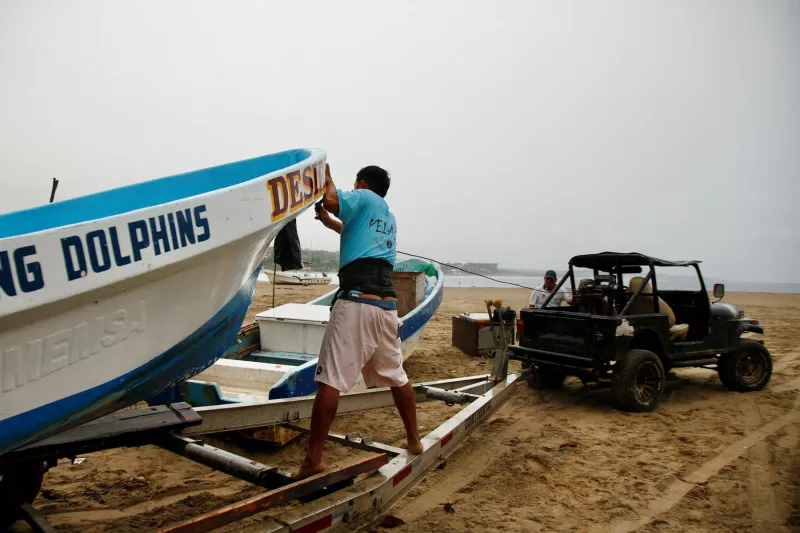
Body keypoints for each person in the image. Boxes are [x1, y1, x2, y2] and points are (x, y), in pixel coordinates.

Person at [294, 164, 423, 480]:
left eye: (356, 184)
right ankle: (414, 439)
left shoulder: (362, 197)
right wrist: (329, 222)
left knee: (330, 380)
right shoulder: (388, 217)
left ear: (363, 184)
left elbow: (333, 198)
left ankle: (314, 459)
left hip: (356, 302)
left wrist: (324, 173)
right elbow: (354, 230)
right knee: (396, 374)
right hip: (386, 307)